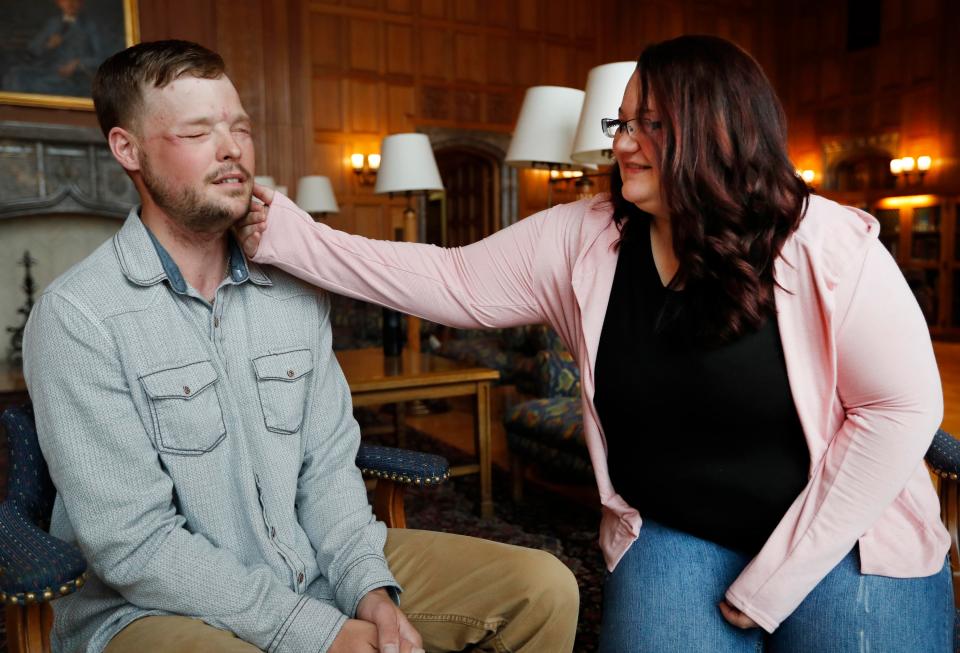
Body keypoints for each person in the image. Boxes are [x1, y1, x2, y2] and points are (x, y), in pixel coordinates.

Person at [237, 35, 955, 652]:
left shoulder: (826, 241)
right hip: (678, 528)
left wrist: (779, 577)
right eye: (622, 122)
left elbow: (900, 410)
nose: (621, 143)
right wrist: (294, 238)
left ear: (720, 131)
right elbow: (449, 278)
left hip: (837, 530)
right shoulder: (585, 236)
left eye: (651, 124)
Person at [23, 39, 579, 653]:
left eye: (240, 127)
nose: (232, 148)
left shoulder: (292, 291)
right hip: (150, 608)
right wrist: (319, 632)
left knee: (544, 588)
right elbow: (136, 546)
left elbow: (329, 473)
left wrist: (369, 591)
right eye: (198, 132)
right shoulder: (78, 316)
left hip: (313, 565)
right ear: (127, 148)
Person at [3, 0, 105, 96]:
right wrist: (48, 45)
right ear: (59, 3)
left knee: (39, 84)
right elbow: (33, 49)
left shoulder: (90, 26)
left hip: (74, 76)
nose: (70, 3)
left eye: (75, 0)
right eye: (65, 0)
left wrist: (77, 63)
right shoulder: (53, 23)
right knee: (15, 75)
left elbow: (101, 58)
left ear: (81, 3)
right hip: (48, 70)